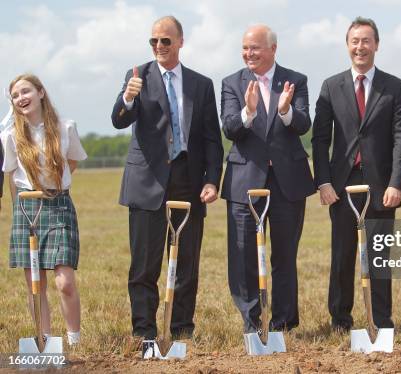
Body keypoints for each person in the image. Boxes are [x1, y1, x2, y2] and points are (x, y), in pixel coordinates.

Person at [111, 16, 224, 340]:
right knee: (144, 264)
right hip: (147, 181)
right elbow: (119, 119)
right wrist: (128, 97)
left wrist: (211, 180)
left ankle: (181, 329)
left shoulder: (201, 84)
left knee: (187, 262)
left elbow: (212, 139)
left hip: (188, 179)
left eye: (165, 41)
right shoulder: (137, 77)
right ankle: (144, 331)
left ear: (180, 42)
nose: (159, 47)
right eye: (154, 41)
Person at [312, 17, 401, 332]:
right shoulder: (331, 86)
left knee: (379, 256)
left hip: (381, 186)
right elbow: (319, 139)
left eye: (366, 41)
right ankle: (340, 320)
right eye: (355, 41)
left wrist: (397, 183)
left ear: (377, 45)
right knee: (343, 256)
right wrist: (324, 181)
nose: (360, 47)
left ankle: (381, 320)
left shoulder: (395, 87)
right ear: (347, 45)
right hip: (342, 185)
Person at [220, 24, 315, 333]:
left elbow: (303, 124)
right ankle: (251, 321)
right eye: (245, 48)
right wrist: (248, 112)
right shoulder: (232, 83)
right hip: (245, 180)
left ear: (273, 49)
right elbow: (230, 129)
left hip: (287, 181)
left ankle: (283, 323)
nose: (249, 53)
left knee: (285, 255)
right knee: (243, 254)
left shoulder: (296, 80)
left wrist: (286, 111)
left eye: (255, 48)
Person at [3, 74, 87, 346]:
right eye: (15, 96)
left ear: (41, 93)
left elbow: (72, 160)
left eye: (25, 92)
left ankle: (74, 339)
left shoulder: (66, 127)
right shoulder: (11, 136)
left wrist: (56, 185)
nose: (21, 99)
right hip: (27, 207)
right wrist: (19, 210)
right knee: (35, 283)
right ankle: (45, 340)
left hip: (59, 204)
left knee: (64, 282)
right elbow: (11, 175)